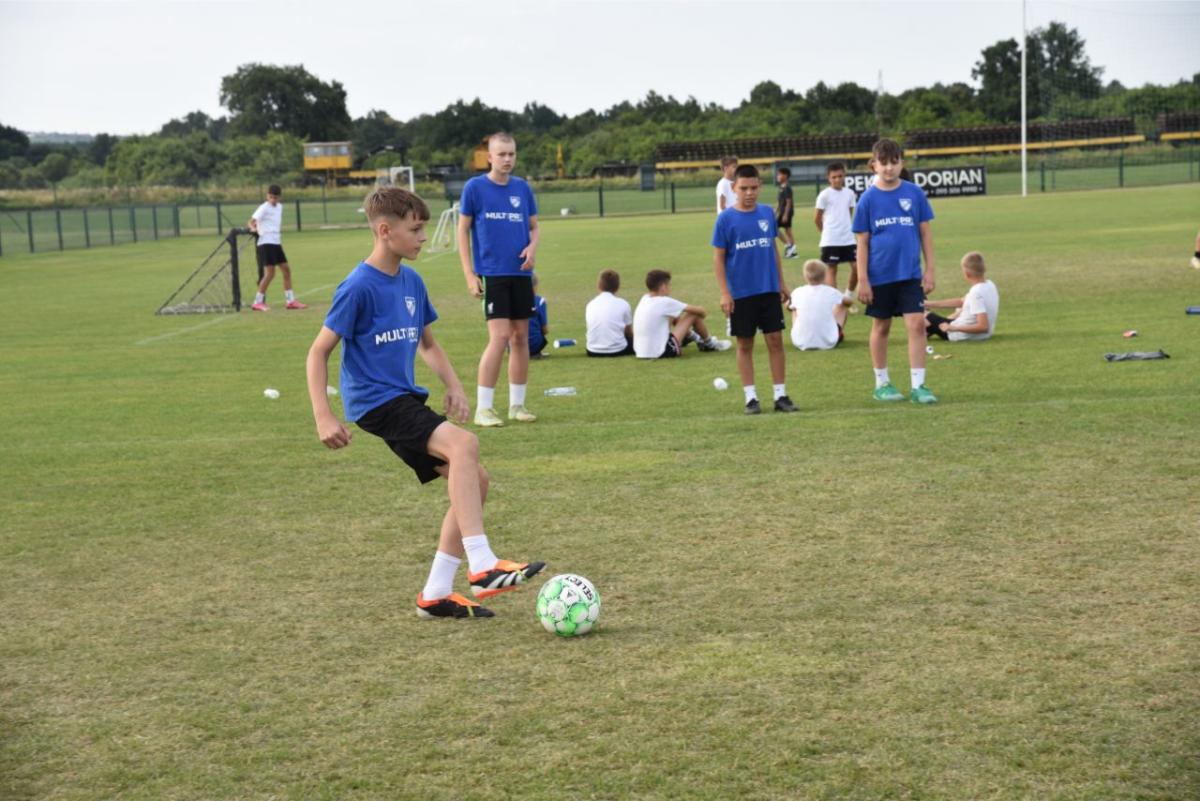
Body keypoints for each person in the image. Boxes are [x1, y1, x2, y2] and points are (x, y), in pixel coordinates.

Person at [306, 187, 544, 620]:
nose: (422, 237)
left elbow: (428, 344)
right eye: (415, 229)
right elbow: (318, 351)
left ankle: (435, 593)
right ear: (385, 231)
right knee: (464, 444)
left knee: (475, 478)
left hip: (402, 398)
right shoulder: (358, 286)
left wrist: (454, 385)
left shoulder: (412, 281)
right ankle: (482, 564)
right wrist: (324, 415)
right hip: (376, 402)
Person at [457, 132, 540, 428]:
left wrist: (532, 248)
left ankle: (517, 405)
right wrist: (469, 274)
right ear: (489, 157)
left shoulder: (522, 188)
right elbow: (462, 231)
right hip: (493, 273)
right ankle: (484, 408)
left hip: (521, 274)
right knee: (500, 337)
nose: (507, 159)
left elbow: (534, 227)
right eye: (501, 154)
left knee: (520, 338)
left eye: (511, 154)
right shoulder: (475, 188)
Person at [852, 139, 938, 404]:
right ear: (874, 165)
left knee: (917, 325)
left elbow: (925, 233)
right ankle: (882, 384)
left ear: (902, 163)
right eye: (883, 163)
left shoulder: (914, 193)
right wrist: (863, 279)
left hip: (910, 274)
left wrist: (930, 270)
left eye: (894, 162)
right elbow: (862, 243)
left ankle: (919, 386)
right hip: (879, 276)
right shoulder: (867, 199)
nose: (889, 168)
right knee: (882, 326)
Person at [713, 164, 798, 414]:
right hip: (741, 292)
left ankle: (780, 395)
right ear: (734, 188)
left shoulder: (766, 213)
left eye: (753, 188)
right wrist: (725, 292)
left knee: (775, 341)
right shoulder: (725, 219)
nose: (749, 193)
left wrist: (781, 282)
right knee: (745, 344)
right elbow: (718, 258)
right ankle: (751, 398)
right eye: (744, 188)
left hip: (768, 289)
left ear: (760, 186)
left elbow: (772, 249)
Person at [633, 269, 731, 359]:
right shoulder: (665, 301)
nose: (670, 288)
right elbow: (700, 311)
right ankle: (709, 344)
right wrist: (701, 314)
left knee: (673, 315)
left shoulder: (644, 298)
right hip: (662, 352)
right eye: (669, 285)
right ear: (663, 286)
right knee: (693, 314)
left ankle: (698, 340)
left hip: (640, 352)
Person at [248, 184, 306, 311]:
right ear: (267, 196)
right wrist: (253, 228)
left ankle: (290, 301)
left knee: (286, 270)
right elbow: (251, 221)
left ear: (279, 197)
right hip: (265, 243)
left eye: (275, 197)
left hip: (276, 243)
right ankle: (257, 302)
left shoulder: (280, 207)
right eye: (270, 197)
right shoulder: (263, 208)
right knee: (270, 273)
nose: (273, 200)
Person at [925, 251, 999, 341]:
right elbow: (961, 302)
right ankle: (929, 330)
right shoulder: (990, 284)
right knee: (960, 309)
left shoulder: (976, 293)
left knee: (922, 314)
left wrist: (953, 328)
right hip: (982, 335)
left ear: (966, 274)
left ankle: (926, 331)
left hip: (958, 334)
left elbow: (983, 327)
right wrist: (928, 304)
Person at [814, 162, 857, 298]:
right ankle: (835, 302)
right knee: (832, 270)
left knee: (857, 268)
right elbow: (817, 219)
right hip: (831, 239)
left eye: (840, 176)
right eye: (834, 177)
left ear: (844, 175)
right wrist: (826, 233)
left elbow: (849, 214)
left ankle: (848, 296)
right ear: (828, 178)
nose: (837, 179)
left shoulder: (850, 194)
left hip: (849, 239)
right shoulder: (824, 195)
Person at [789, 259, 854, 351]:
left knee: (794, 308)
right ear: (824, 275)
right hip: (828, 342)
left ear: (805, 276)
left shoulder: (797, 292)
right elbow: (849, 302)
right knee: (842, 306)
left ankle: (802, 334)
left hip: (799, 341)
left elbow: (788, 305)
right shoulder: (831, 292)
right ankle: (836, 333)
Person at [585, 269, 634, 357]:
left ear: (598, 285)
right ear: (617, 287)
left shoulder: (590, 304)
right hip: (618, 350)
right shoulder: (623, 304)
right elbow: (628, 332)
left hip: (593, 350)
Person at [776, 167, 797, 259]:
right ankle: (792, 251)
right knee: (787, 231)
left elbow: (789, 202)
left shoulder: (787, 188)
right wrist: (775, 211)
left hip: (786, 212)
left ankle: (789, 246)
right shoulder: (781, 187)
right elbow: (780, 202)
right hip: (782, 212)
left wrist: (785, 214)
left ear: (785, 176)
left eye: (779, 174)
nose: (777, 176)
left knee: (774, 227)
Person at [528, 274, 548, 358]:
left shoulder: (511, 300)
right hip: (535, 346)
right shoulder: (540, 301)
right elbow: (545, 330)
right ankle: (535, 351)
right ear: (535, 286)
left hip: (514, 346)